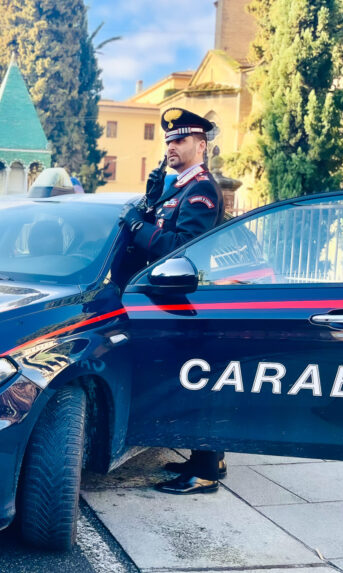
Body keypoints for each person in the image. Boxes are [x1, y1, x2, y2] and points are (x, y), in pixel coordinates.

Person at [120, 107, 227, 495]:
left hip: (191, 302)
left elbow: (182, 248)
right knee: (192, 380)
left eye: (179, 140)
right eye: (168, 140)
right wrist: (151, 200)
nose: (171, 146)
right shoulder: (179, 186)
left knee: (197, 383)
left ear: (201, 145)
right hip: (175, 300)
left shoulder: (200, 190)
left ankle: (206, 473)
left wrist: (138, 227)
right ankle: (209, 458)